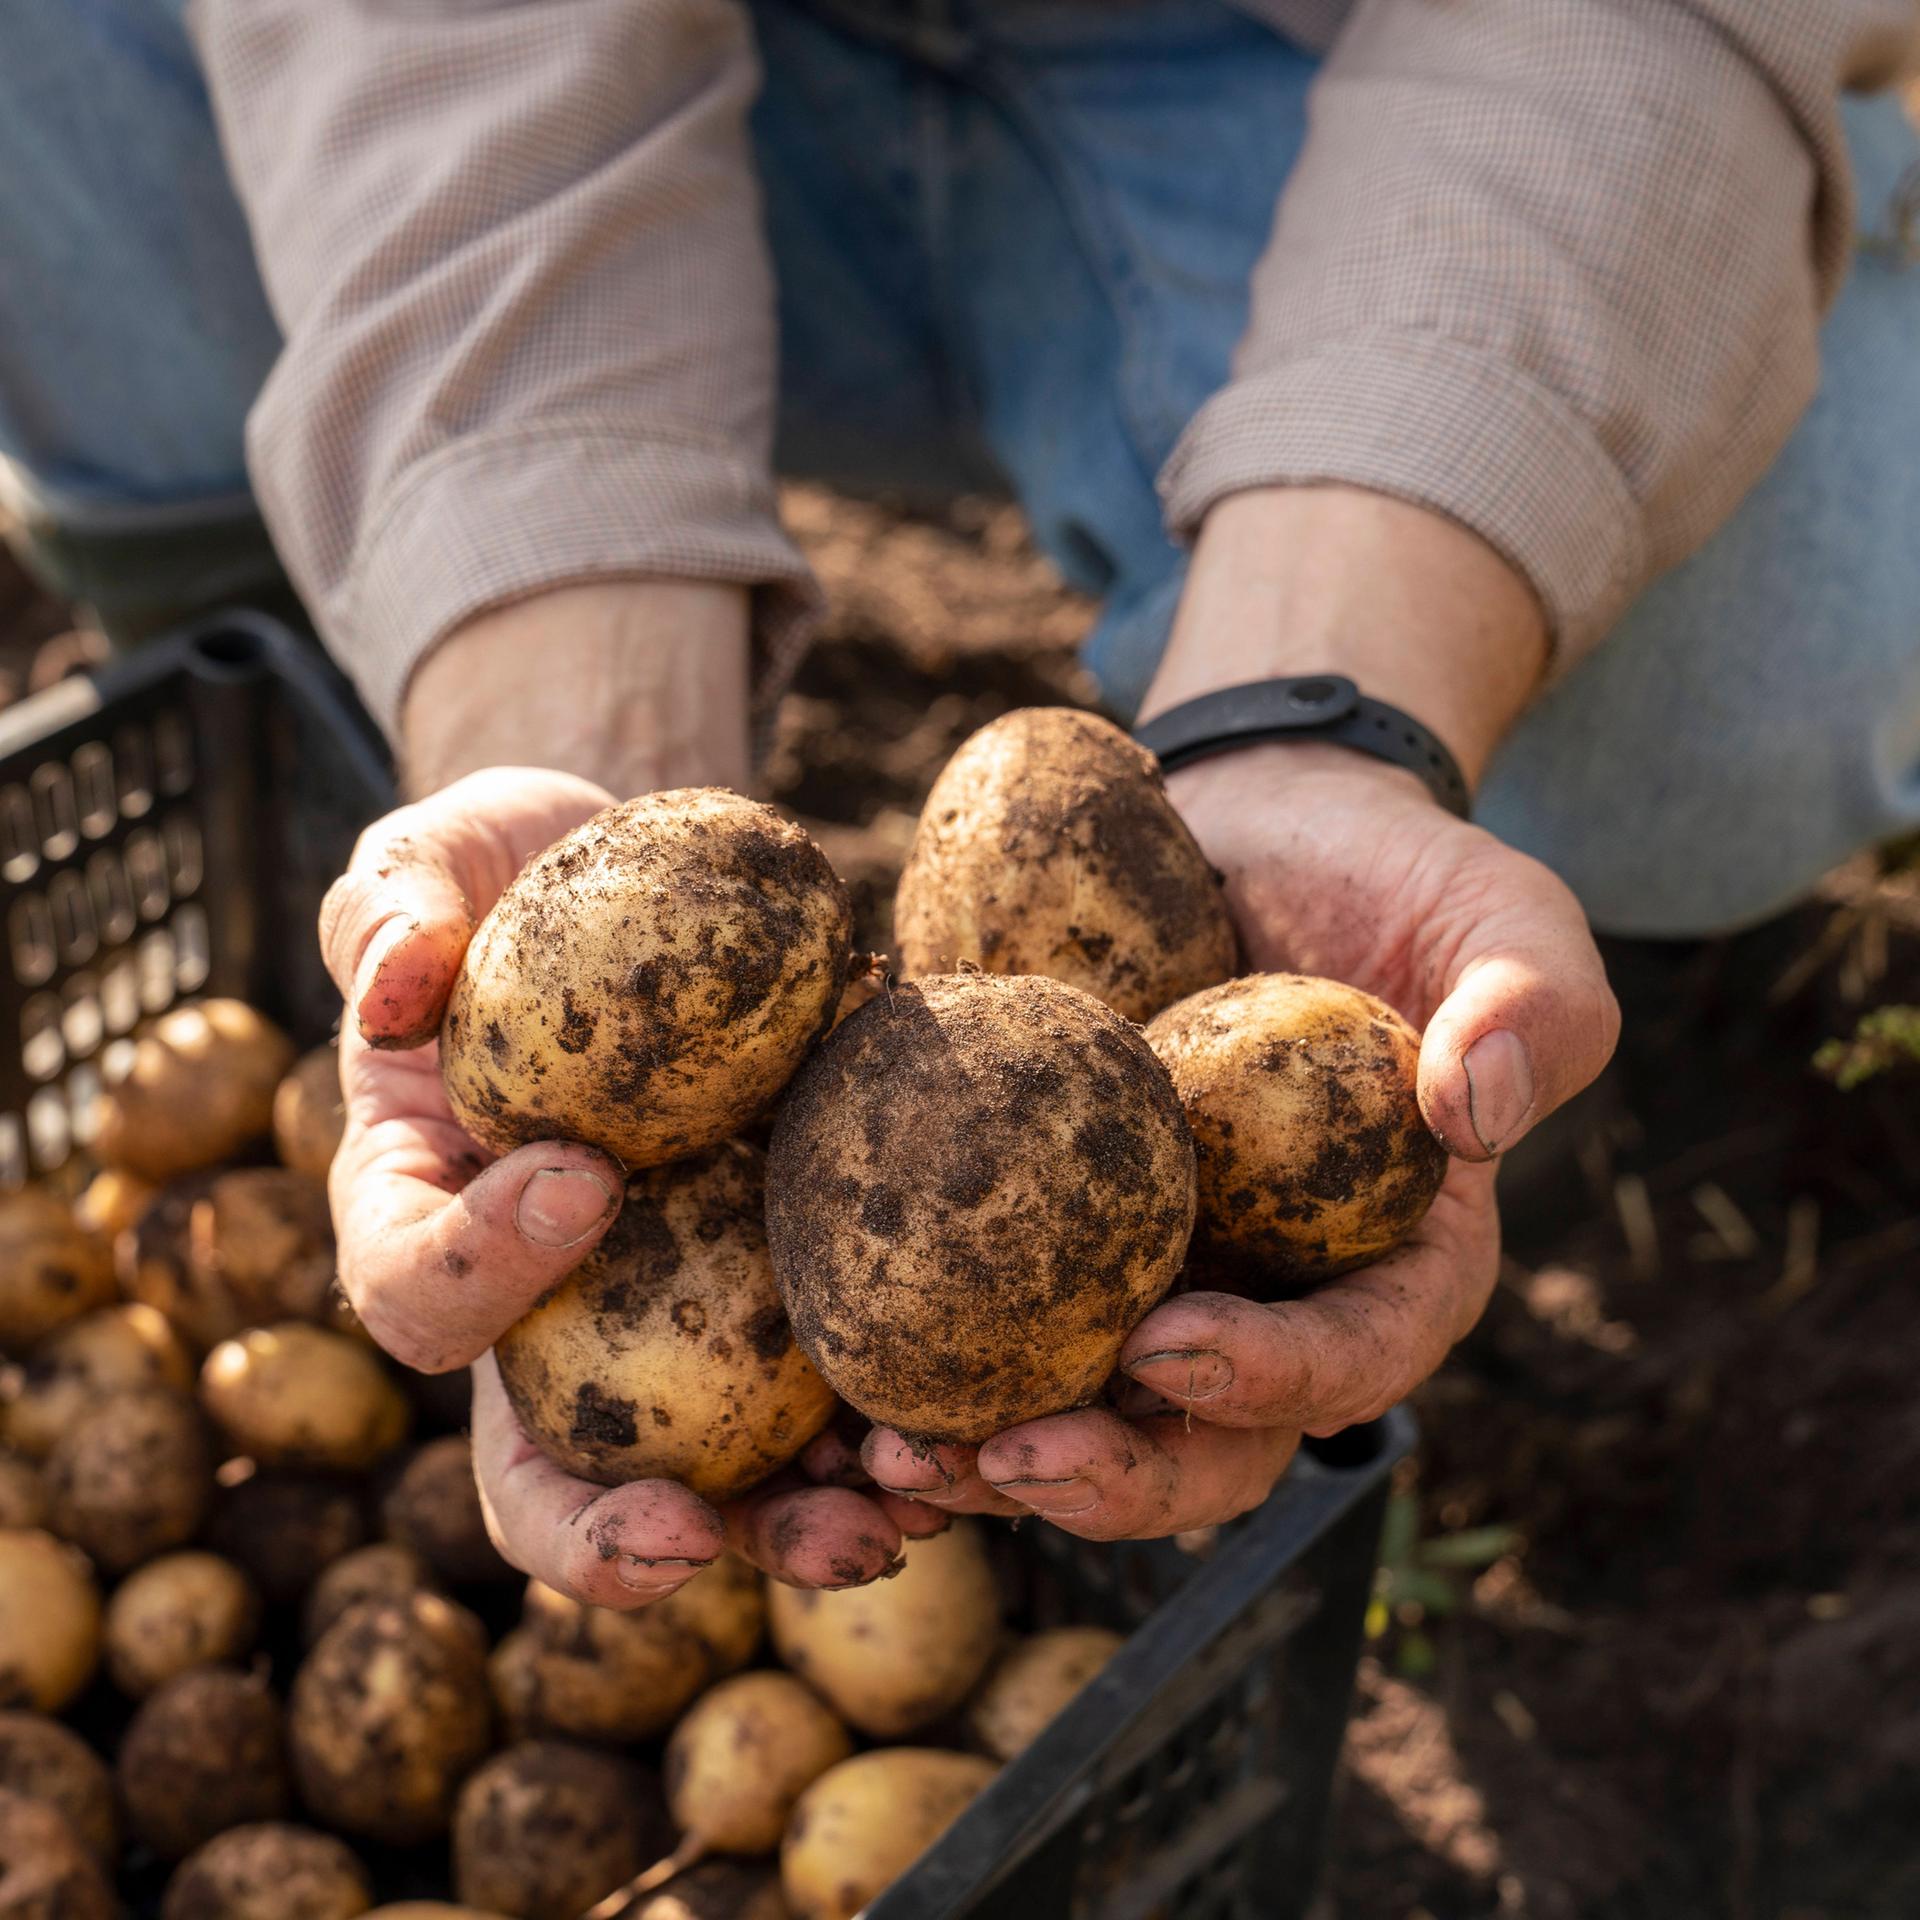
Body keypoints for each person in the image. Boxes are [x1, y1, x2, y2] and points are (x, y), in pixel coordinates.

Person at [2, 0, 1916, 1605]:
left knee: (1775, 650)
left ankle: (1407, 787)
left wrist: (1323, 696)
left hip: (1295, 76)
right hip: (700, 94)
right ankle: (298, 654)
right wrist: (570, 711)